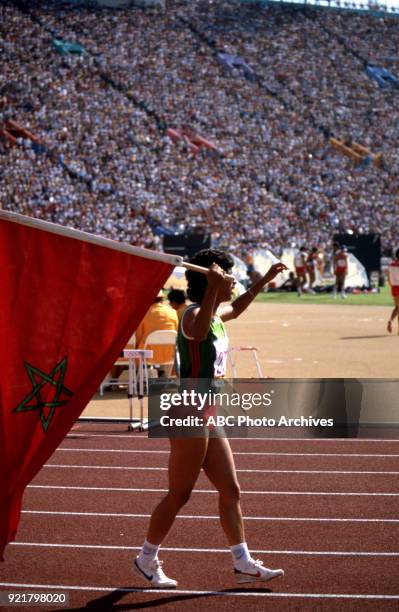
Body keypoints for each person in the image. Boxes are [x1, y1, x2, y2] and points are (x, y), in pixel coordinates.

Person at [133, 249, 287, 588]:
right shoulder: (192, 314)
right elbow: (199, 333)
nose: (235, 282)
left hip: (208, 407)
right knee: (180, 493)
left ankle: (242, 560)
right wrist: (217, 286)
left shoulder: (215, 313)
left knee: (231, 488)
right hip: (186, 406)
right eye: (230, 276)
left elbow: (238, 307)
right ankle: (146, 557)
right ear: (210, 280)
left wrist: (263, 282)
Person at [135, 290, 178, 376]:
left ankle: (138, 378)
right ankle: (165, 377)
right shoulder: (173, 312)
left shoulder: (144, 313)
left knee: (134, 350)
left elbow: (138, 337)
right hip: (170, 354)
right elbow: (177, 334)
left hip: (147, 355)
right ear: (162, 300)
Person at [387, 248, 399, 334]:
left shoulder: (391, 264)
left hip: (394, 287)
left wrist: (391, 285)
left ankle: (391, 320)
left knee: (397, 307)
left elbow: (388, 278)